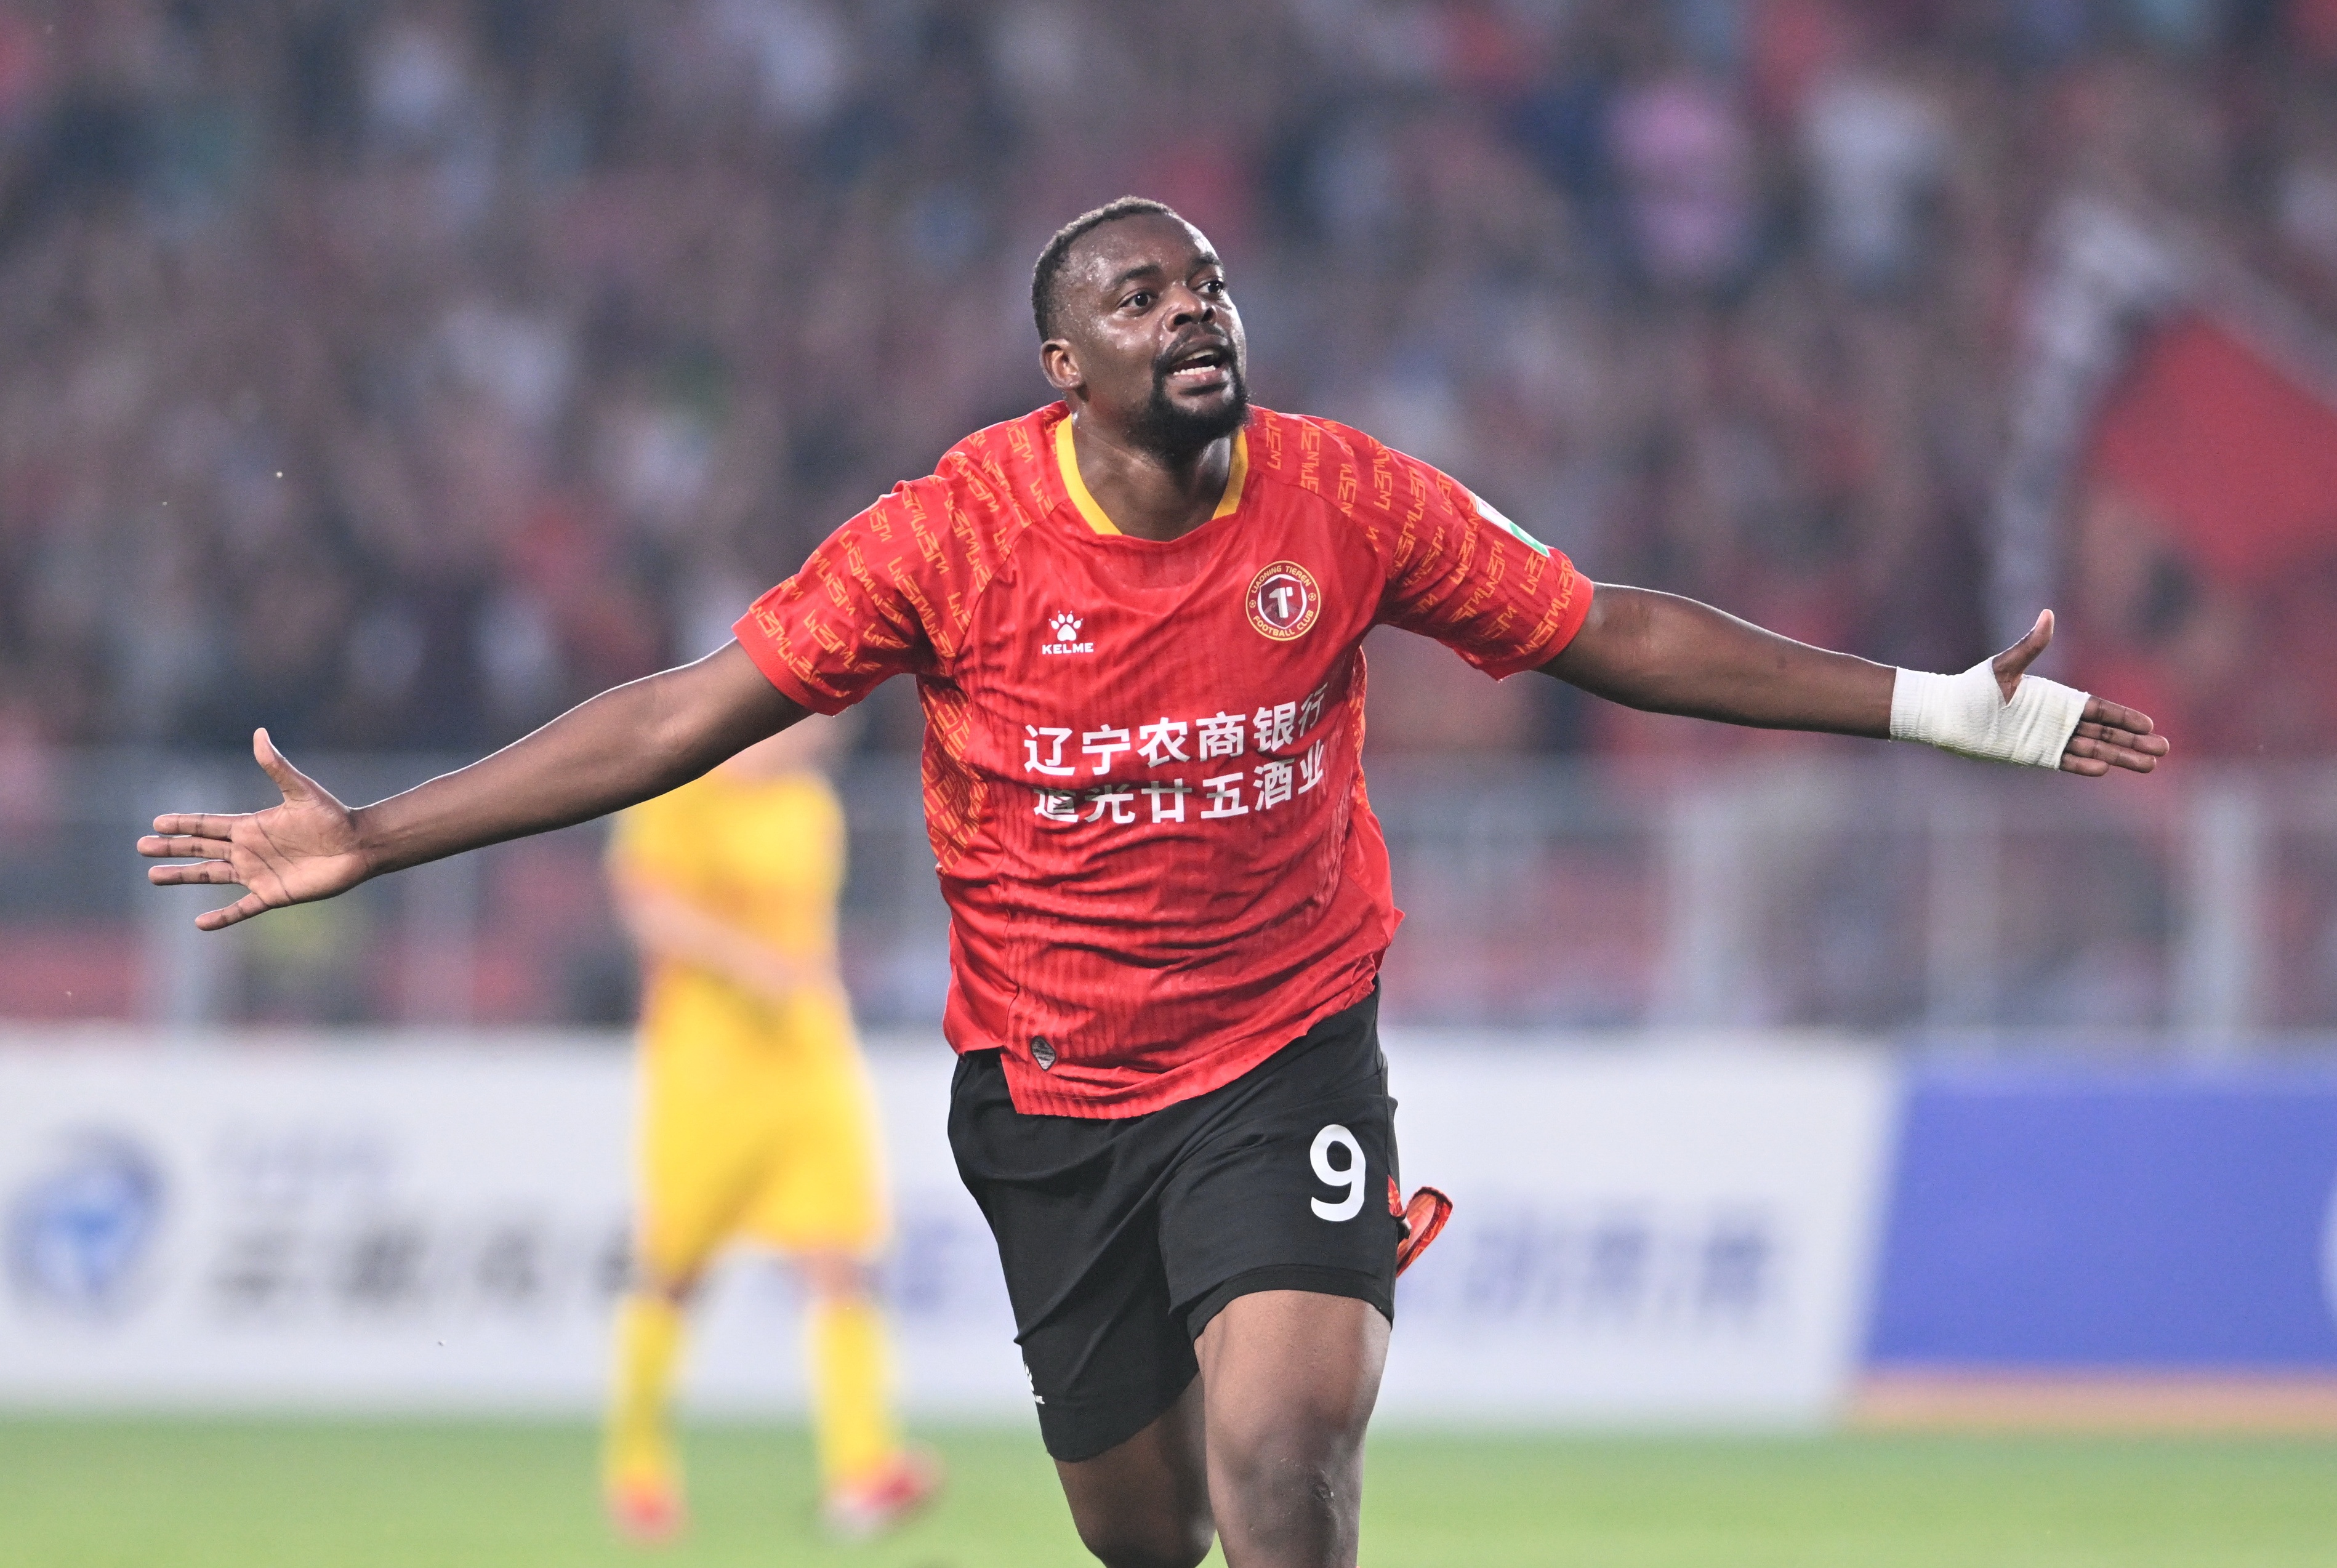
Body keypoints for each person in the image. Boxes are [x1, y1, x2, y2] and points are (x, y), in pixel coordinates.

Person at [140, 197, 2169, 1568]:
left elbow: (1605, 626)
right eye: (1141, 298)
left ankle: (1311, 1305)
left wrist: (1943, 708)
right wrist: (378, 832)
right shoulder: (949, 539)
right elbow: (682, 709)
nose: (1193, 311)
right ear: (1062, 365)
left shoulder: (1342, 495)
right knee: (1147, 1526)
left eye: (1207, 287)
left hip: (1283, 1051)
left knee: (1286, 1451)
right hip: (1047, 1098)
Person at [600, 712, 938, 1542]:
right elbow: (650, 911)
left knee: (839, 1258)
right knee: (676, 1269)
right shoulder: (674, 798)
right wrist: (749, 962)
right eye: (806, 724)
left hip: (809, 1060)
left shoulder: (809, 808)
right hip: (708, 1066)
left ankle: (863, 1470)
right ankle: (636, 1466)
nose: (818, 742)